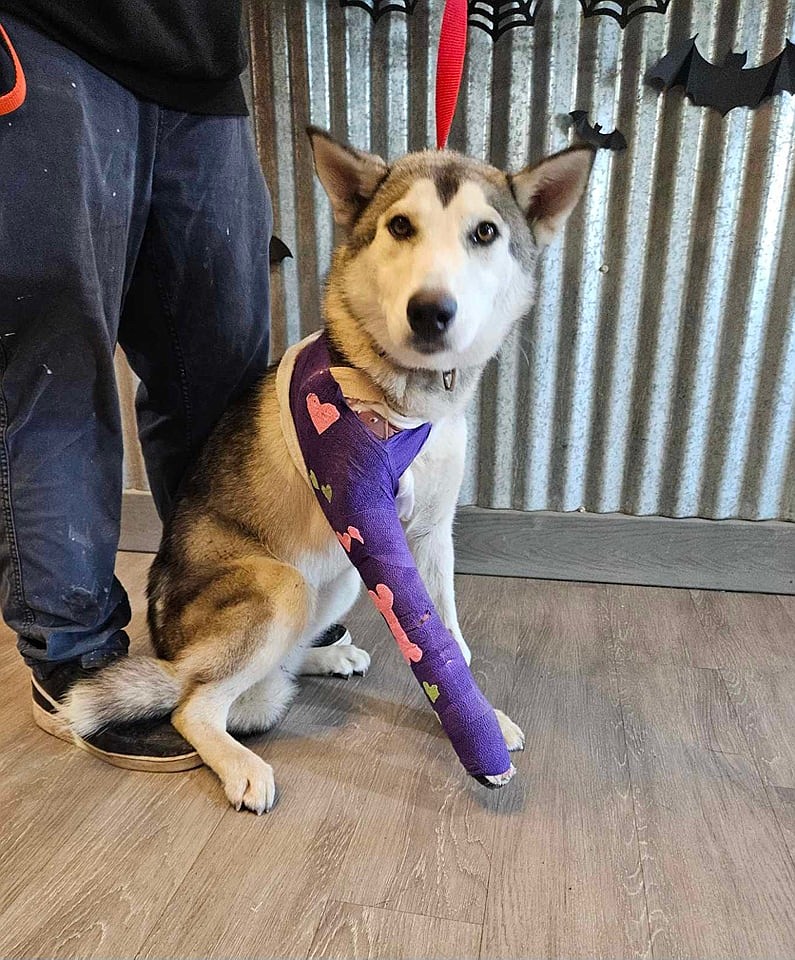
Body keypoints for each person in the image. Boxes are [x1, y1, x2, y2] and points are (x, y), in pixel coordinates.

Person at [0, 2, 345, 770]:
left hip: (199, 59)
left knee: (224, 378)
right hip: (44, 34)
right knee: (57, 365)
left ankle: (213, 614)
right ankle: (71, 647)